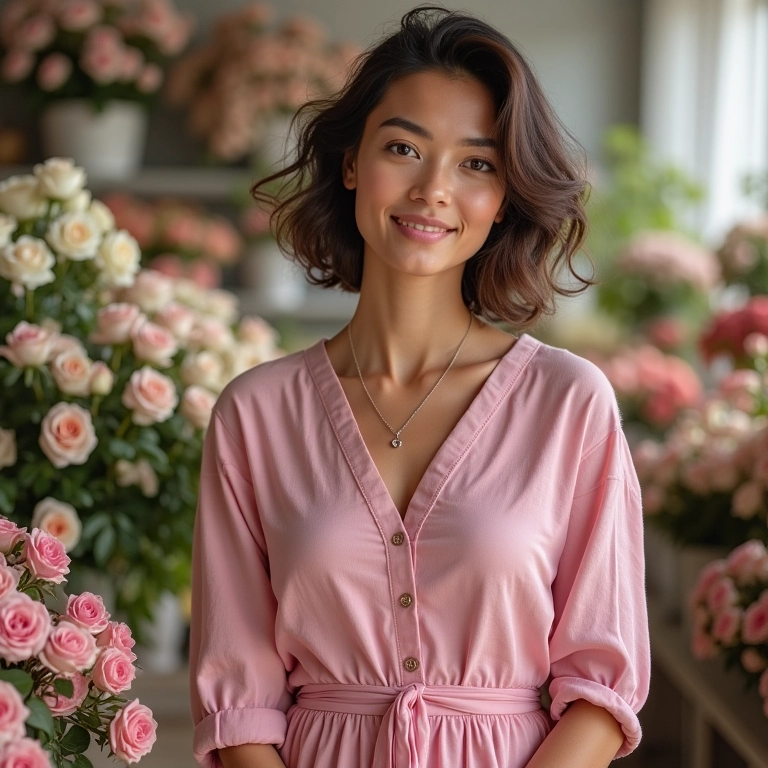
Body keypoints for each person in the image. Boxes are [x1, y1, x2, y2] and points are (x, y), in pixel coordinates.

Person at [189, 7, 651, 768]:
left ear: (503, 197)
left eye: (476, 163)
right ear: (350, 164)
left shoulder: (568, 402)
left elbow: (602, 689)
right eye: (403, 147)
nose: (433, 189)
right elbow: (237, 699)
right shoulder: (256, 414)